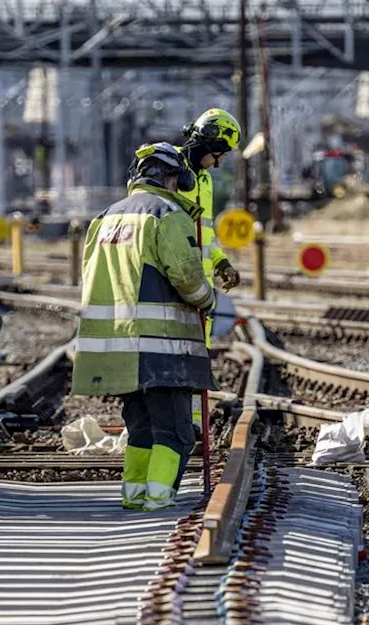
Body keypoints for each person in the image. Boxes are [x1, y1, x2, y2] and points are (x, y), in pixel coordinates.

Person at [71, 142, 217, 512]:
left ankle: (134, 495)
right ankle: (159, 499)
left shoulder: (103, 219)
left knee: (141, 428)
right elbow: (186, 277)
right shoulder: (166, 214)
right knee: (176, 433)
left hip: (117, 348)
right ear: (175, 178)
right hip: (161, 347)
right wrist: (209, 299)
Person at [176, 108, 243, 428]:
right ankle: (178, 428)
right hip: (173, 284)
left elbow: (206, 233)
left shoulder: (204, 180)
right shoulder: (169, 167)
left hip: (198, 288)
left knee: (197, 360)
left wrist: (220, 262)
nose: (219, 162)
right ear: (205, 144)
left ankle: (193, 430)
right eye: (218, 154)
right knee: (174, 359)